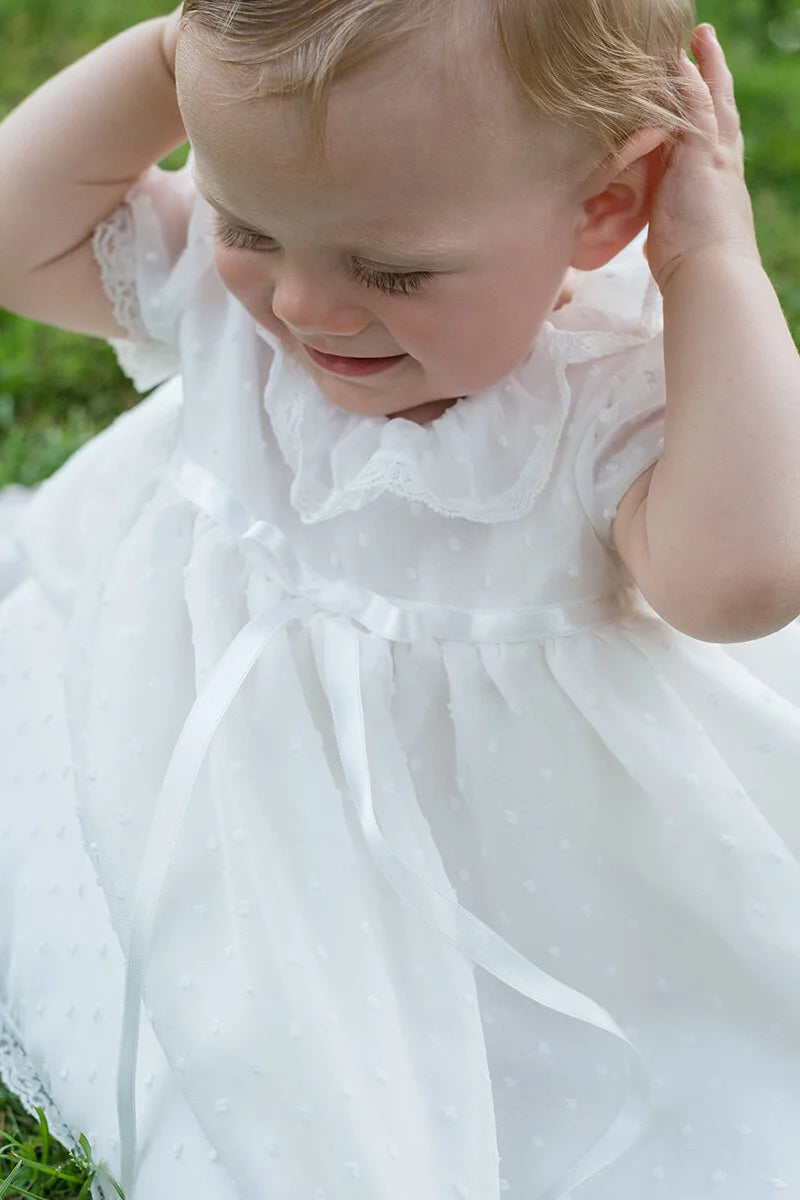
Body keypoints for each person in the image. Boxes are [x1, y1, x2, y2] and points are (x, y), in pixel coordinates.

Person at [0, 1, 799, 1197]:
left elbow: (738, 581)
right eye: (245, 223)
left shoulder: (607, 393)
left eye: (392, 270)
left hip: (510, 856)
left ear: (601, 208)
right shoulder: (235, 300)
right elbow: (15, 235)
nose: (304, 308)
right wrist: (179, 60)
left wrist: (708, 263)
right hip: (241, 796)